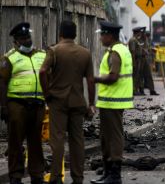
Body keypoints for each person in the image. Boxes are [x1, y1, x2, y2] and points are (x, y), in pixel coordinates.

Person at [39, 20, 96, 184]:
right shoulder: (85, 53)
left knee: (57, 140)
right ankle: (78, 177)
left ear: (60, 33)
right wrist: (91, 104)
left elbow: (43, 71)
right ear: (76, 34)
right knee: (77, 141)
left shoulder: (54, 51)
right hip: (78, 102)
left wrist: (47, 94)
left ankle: (56, 177)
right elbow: (91, 81)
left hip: (58, 102)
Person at [0, 22, 46, 184]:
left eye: (28, 37)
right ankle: (16, 176)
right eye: (22, 38)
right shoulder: (9, 58)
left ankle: (37, 176)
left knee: (36, 144)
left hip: (38, 105)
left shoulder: (41, 55)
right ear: (16, 41)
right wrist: (3, 106)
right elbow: (2, 83)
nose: (27, 41)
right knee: (15, 144)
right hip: (17, 106)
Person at [91, 21, 134, 184]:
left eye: (102, 35)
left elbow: (113, 76)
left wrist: (93, 79)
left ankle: (114, 175)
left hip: (113, 101)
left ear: (109, 35)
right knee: (106, 137)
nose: (101, 38)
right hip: (112, 101)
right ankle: (108, 172)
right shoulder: (122, 49)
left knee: (113, 137)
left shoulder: (115, 52)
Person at [128, 27, 157, 96]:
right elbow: (133, 52)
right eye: (141, 32)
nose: (142, 34)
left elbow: (146, 48)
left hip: (144, 58)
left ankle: (151, 90)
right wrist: (134, 62)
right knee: (137, 75)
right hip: (138, 59)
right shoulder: (135, 40)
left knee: (147, 74)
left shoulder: (144, 39)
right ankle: (137, 90)